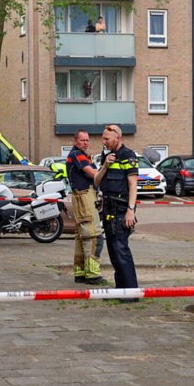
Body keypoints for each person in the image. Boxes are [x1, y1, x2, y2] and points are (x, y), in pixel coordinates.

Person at [94, 125, 139, 300]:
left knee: (121, 252)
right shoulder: (107, 157)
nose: (104, 142)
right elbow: (97, 181)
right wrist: (105, 166)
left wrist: (130, 211)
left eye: (107, 139)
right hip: (108, 210)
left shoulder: (128, 156)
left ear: (117, 138)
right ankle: (120, 290)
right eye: (103, 138)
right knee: (113, 252)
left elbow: (133, 186)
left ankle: (131, 293)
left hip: (121, 211)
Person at [65, 130, 108, 286]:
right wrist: (107, 168)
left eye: (87, 140)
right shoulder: (77, 155)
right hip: (84, 197)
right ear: (75, 141)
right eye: (82, 140)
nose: (85, 143)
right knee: (93, 235)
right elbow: (94, 174)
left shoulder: (83, 156)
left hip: (85, 196)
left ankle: (81, 272)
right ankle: (92, 274)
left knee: (81, 235)